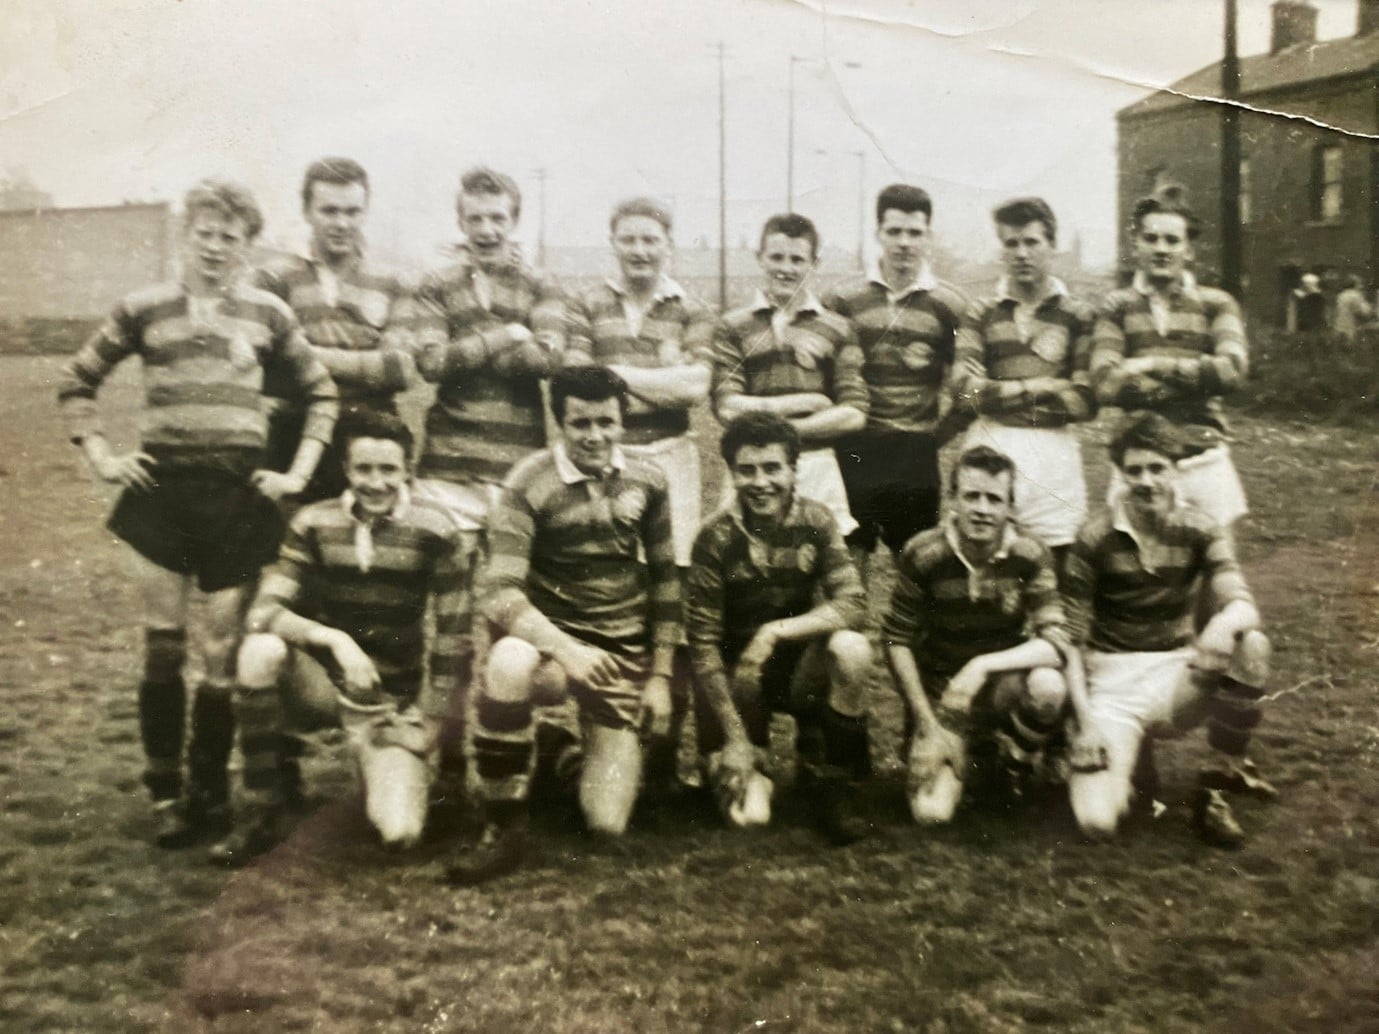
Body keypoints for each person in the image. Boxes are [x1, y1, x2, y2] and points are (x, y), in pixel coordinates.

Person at [55, 180, 339, 846]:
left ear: (246, 244)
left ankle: (209, 795)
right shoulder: (144, 308)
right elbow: (78, 380)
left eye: (230, 236)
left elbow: (320, 391)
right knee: (163, 644)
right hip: (160, 493)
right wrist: (100, 453)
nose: (215, 247)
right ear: (187, 234)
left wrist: (296, 471)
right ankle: (164, 796)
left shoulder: (268, 314)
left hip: (236, 497)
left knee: (218, 653)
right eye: (205, 233)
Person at [450, 366, 681, 885]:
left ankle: (558, 752)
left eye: (606, 422)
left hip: (618, 652)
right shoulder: (529, 480)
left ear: (623, 422)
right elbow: (498, 590)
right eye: (580, 423)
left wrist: (660, 676)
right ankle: (503, 824)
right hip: (552, 648)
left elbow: (667, 580)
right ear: (559, 423)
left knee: (607, 825)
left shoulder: (650, 477)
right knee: (510, 661)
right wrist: (567, 650)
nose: (595, 435)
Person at [210, 411, 471, 864]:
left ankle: (388, 770)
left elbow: (455, 636)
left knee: (400, 834)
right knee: (259, 651)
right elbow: (263, 613)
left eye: (388, 469)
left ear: (407, 469)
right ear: (346, 471)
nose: (376, 482)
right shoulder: (313, 522)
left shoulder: (437, 528)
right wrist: (336, 641)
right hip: (324, 687)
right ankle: (260, 810)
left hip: (388, 701)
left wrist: (429, 727)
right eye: (364, 469)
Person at [410, 166, 568, 760]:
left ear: (514, 220)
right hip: (447, 472)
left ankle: (507, 737)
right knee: (450, 618)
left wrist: (470, 348)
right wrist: (505, 333)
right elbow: (428, 362)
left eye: (497, 217)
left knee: (509, 614)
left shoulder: (542, 284)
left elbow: (549, 361)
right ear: (459, 220)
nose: (485, 229)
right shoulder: (435, 284)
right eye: (474, 218)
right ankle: (446, 745)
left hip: (516, 473)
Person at [1062, 414, 1274, 847]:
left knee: (1251, 644)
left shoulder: (1199, 527)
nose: (1147, 481)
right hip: (1111, 683)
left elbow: (1241, 598)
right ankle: (1120, 757)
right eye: (1135, 470)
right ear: (1119, 474)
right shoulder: (1094, 536)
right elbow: (1070, 640)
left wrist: (1222, 625)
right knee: (1097, 822)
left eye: (1158, 468)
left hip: (1177, 677)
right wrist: (1085, 724)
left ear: (1175, 470)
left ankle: (1214, 787)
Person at [564, 197, 714, 797]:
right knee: (613, 583)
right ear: (613, 242)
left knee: (670, 588)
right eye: (629, 239)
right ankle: (600, 734)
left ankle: (666, 751)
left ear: (667, 243)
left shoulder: (692, 309)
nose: (640, 250)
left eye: (651, 239)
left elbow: (696, 387)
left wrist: (615, 379)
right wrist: (656, 383)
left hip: (673, 458)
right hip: (610, 459)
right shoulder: (586, 302)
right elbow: (576, 382)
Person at [687, 411, 873, 844]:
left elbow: (854, 602)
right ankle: (743, 755)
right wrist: (733, 736)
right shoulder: (712, 538)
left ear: (793, 470)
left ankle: (832, 782)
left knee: (852, 649)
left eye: (773, 468)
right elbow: (702, 645)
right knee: (750, 817)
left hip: (792, 669)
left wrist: (774, 631)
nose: (761, 482)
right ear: (731, 473)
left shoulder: (818, 520)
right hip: (738, 680)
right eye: (747, 470)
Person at [881, 445, 1070, 825]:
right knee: (931, 815)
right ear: (952, 500)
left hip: (1001, 689)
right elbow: (895, 640)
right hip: (942, 698)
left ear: (1010, 507)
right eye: (971, 496)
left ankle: (1011, 762)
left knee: (1049, 686)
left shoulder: (1031, 553)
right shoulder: (923, 552)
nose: (982, 509)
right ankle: (965, 753)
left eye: (994, 499)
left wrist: (980, 667)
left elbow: (1056, 642)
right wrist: (927, 725)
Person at [822, 184, 969, 583]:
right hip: (855, 450)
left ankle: (908, 646)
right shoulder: (842, 299)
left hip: (915, 453)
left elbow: (969, 384)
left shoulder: (950, 304)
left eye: (915, 233)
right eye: (895, 232)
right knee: (851, 565)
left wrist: (939, 434)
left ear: (929, 237)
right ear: (879, 234)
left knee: (920, 568)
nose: (904, 243)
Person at [256, 157, 416, 504]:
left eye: (352, 211)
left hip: (372, 441)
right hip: (293, 435)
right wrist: (365, 362)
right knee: (292, 549)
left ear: (365, 211)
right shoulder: (274, 277)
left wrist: (303, 354)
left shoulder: (393, 280)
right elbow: (265, 368)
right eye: (329, 211)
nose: (342, 223)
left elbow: (399, 369)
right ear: (307, 210)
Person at [1090, 188, 1250, 532]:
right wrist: (1196, 380)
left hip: (1204, 461)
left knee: (1217, 570)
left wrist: (1148, 366)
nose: (1161, 249)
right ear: (1137, 245)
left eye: (1172, 240)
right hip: (1138, 468)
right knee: (1134, 575)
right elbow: (1104, 383)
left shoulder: (1216, 304)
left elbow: (1233, 371)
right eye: (1151, 238)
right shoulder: (1115, 306)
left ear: (1188, 250)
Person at [954, 197, 1096, 561]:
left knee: (1056, 561)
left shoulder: (1077, 314)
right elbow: (964, 393)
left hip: (1054, 456)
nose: (1021, 253)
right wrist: (1045, 386)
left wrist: (999, 397)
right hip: (990, 447)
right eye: (1011, 243)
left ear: (1052, 245)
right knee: (989, 563)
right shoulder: (981, 311)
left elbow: (1083, 400)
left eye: (1032, 242)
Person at [710, 213, 868, 538]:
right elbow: (727, 407)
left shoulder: (837, 326)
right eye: (777, 257)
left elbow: (854, 413)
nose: (786, 268)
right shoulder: (733, 325)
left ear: (814, 262)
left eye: (798, 259)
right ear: (760, 258)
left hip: (815, 463)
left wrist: (788, 431)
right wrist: (810, 400)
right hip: (751, 466)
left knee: (816, 566)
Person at [1333, 274, 1373, 346]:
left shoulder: (1341, 295)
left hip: (1338, 326)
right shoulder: (1355, 295)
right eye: (1360, 284)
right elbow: (1365, 312)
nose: (1361, 286)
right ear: (1355, 285)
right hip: (1350, 328)